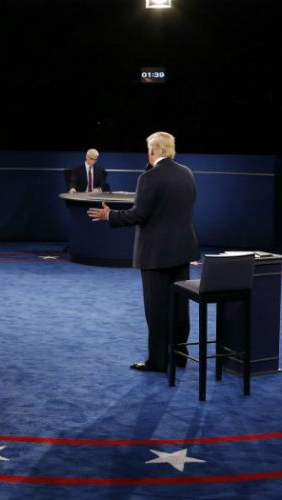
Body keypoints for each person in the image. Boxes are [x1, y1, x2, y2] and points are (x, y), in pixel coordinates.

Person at [88, 132, 199, 372]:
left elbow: (139, 215)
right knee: (180, 307)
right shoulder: (187, 173)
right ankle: (179, 356)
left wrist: (110, 215)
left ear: (153, 150)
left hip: (156, 254)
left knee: (156, 308)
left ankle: (158, 361)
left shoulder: (149, 177)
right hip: (182, 250)